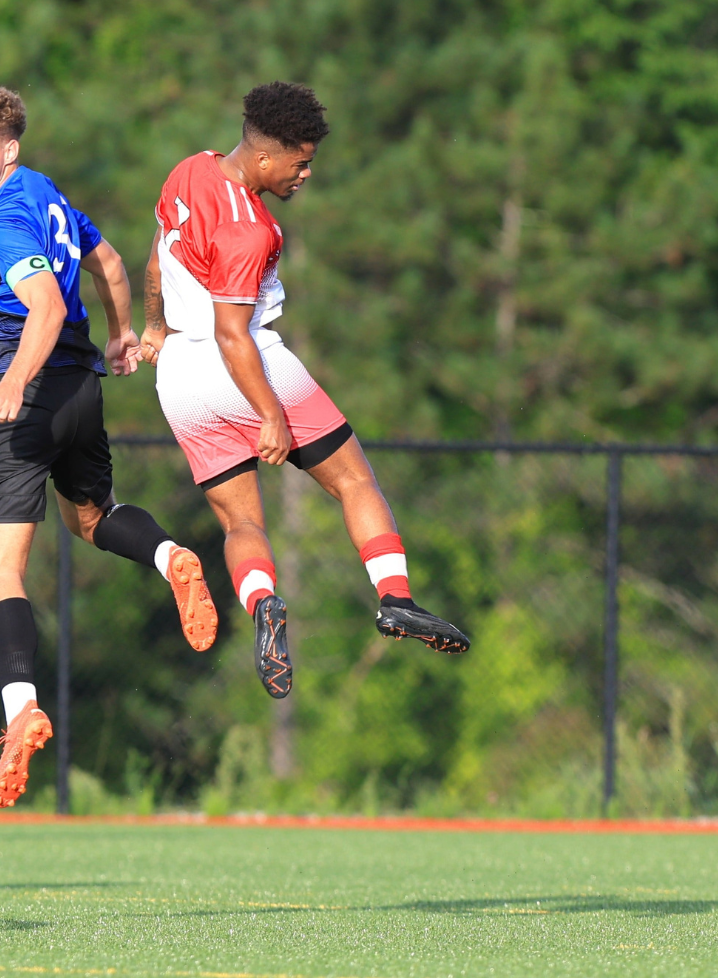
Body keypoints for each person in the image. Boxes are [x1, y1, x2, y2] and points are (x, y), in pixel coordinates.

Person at [134, 82, 469, 699]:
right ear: (265, 158)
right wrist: (270, 415)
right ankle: (396, 598)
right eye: (301, 161)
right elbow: (235, 334)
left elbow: (156, 263)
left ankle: (261, 601)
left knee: (240, 522)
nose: (306, 173)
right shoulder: (249, 230)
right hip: (246, 363)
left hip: (179, 374)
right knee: (353, 480)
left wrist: (153, 327)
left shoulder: (189, 170)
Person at [0, 81, 220, 809]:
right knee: (91, 520)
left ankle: (20, 710)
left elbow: (47, 305)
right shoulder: (46, 193)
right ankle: (169, 556)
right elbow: (112, 264)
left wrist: (12, 385)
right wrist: (124, 333)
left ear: (9, 149)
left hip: (29, 398)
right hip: (82, 391)